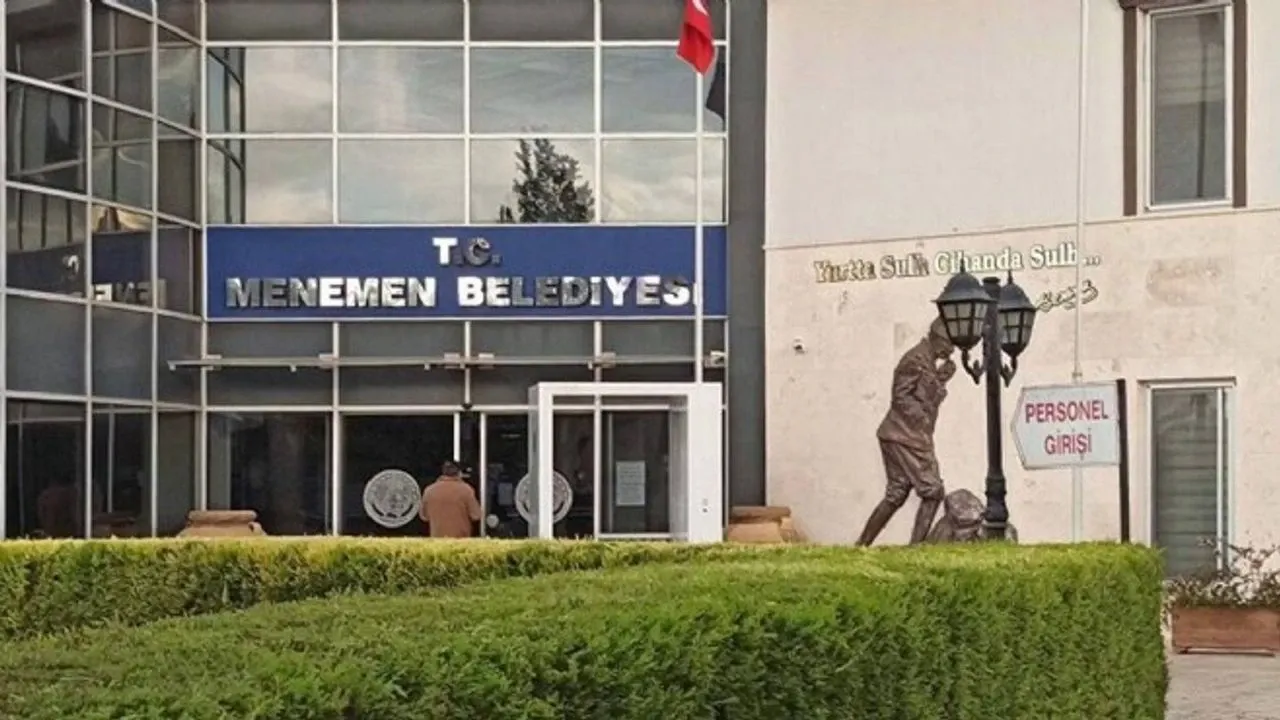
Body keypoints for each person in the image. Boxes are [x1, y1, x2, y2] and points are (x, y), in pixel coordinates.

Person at [856, 318, 956, 546]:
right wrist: (922, 418)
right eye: (948, 345)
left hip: (900, 434)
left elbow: (925, 394)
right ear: (937, 339)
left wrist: (941, 379)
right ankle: (915, 548)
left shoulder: (927, 360)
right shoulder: (915, 359)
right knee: (933, 492)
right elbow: (901, 396)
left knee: (897, 493)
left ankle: (862, 545)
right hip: (906, 436)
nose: (950, 351)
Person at [419, 460, 482, 539]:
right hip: (460, 539)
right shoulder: (466, 490)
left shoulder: (429, 490)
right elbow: (476, 515)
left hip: (437, 538)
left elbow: (424, 516)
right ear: (459, 473)